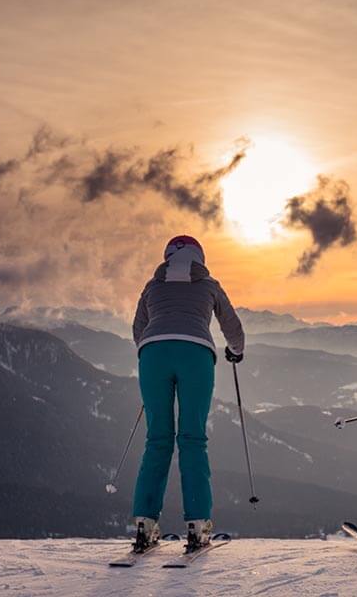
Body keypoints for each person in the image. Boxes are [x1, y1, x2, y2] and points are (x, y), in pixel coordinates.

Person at [130, 235, 245, 553]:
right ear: (200, 258)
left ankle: (145, 523)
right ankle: (197, 525)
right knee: (192, 439)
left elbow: (139, 328)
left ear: (167, 258)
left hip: (153, 355)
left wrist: (151, 351)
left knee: (157, 440)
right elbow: (232, 326)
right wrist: (236, 351)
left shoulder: (153, 287)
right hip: (196, 355)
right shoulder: (209, 285)